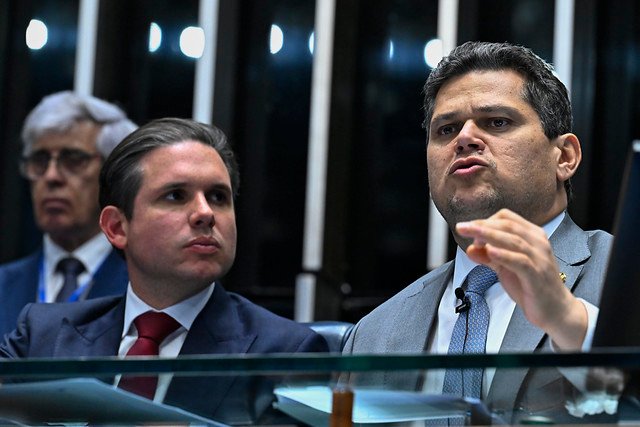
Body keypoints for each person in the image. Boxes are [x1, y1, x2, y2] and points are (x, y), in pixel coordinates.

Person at [342, 41, 613, 423]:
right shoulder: (372, 334)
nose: (464, 138)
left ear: (564, 156)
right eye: (446, 129)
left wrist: (566, 319)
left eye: (497, 122)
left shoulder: (623, 275)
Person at [0, 117, 329, 424]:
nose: (205, 213)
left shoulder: (287, 351)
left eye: (218, 197)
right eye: (176, 196)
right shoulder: (43, 334)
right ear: (117, 227)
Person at [0, 91, 136, 337]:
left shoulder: (145, 286)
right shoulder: (3, 285)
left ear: (113, 176)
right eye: (40, 160)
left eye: (73, 159)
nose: (51, 176)